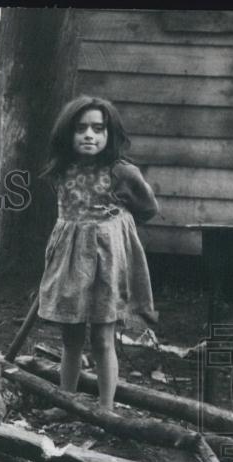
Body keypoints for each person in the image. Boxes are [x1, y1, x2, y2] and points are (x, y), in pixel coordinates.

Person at [37, 95, 159, 413]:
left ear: (109, 133)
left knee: (103, 339)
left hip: (107, 262)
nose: (89, 135)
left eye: (98, 128)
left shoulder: (121, 173)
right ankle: (66, 403)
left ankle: (106, 410)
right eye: (81, 129)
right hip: (70, 262)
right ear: (67, 134)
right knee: (71, 339)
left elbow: (148, 208)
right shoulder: (62, 170)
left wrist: (115, 226)